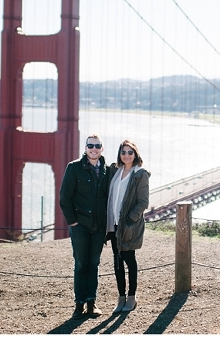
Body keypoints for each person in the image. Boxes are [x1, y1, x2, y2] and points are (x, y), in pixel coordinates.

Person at [59, 134, 111, 320]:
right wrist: (73, 222)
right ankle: (79, 305)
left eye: (97, 145)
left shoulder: (108, 170)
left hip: (98, 227)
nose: (94, 149)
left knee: (94, 264)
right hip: (80, 226)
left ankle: (92, 303)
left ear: (102, 148)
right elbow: (65, 198)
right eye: (90, 145)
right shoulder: (73, 168)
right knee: (81, 265)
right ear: (85, 148)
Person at [105, 139, 150, 313]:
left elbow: (143, 202)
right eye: (123, 152)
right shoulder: (115, 171)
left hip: (128, 225)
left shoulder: (140, 174)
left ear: (135, 154)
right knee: (117, 261)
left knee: (129, 260)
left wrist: (130, 220)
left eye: (130, 152)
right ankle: (121, 297)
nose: (126, 155)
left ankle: (132, 297)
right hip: (114, 224)